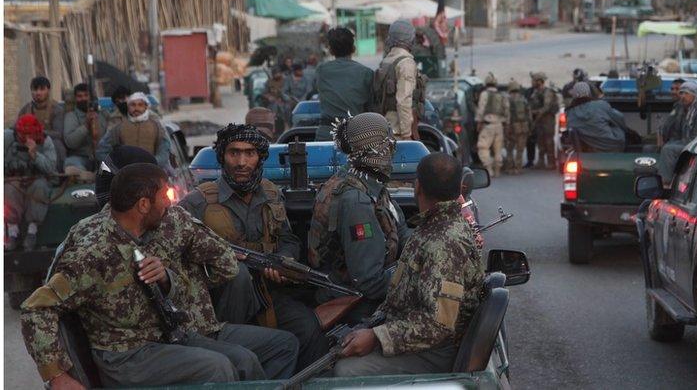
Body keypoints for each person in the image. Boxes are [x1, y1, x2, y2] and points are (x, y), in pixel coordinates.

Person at [19, 163, 299, 388]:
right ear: (143, 205)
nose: (169, 204)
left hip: (164, 336)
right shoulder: (93, 254)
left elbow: (218, 265)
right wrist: (55, 376)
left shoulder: (147, 233)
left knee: (244, 359)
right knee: (218, 367)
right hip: (127, 355)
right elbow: (36, 308)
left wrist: (166, 277)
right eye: (163, 196)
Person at [181, 124, 328, 370]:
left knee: (308, 327)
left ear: (259, 157)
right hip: (219, 301)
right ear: (222, 157)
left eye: (249, 153)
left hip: (266, 293)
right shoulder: (197, 201)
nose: (241, 162)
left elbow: (288, 238)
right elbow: (177, 252)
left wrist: (283, 261)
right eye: (234, 153)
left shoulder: (271, 194)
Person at [333, 153, 483, 377]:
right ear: (459, 189)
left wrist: (377, 337)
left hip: (437, 351)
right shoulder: (432, 227)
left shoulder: (443, 243)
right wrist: (372, 328)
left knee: (345, 372)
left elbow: (438, 326)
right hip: (417, 337)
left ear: (417, 187)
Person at [307, 113, 410, 323]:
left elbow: (401, 231)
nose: (392, 148)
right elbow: (370, 282)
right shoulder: (357, 201)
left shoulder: (365, 182)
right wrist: (415, 276)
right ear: (377, 147)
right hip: (354, 303)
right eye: (387, 142)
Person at [4, 114, 58, 251]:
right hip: (13, 180)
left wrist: (35, 155)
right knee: (9, 189)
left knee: (40, 188)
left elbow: (51, 168)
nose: (27, 138)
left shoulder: (46, 141)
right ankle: (12, 232)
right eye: (24, 134)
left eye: (30, 134)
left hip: (37, 180)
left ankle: (32, 232)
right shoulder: (6, 139)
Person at [314, 27, 374, 141]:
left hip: (326, 134)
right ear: (353, 48)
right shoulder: (366, 73)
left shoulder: (321, 70)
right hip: (356, 134)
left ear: (331, 50)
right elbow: (370, 106)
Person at [374, 19, 423, 141]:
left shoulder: (387, 61)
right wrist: (407, 135)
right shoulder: (406, 63)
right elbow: (404, 101)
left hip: (386, 127)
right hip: (399, 131)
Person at [656, 81, 697, 182]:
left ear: (694, 95)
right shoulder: (683, 109)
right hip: (685, 142)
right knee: (667, 145)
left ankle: (665, 183)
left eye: (686, 93)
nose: (682, 96)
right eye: (681, 93)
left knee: (668, 149)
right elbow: (674, 130)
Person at [96, 92, 171, 168]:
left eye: (140, 105)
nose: (136, 108)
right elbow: (101, 151)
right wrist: (116, 166)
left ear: (146, 107)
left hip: (152, 172)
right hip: (126, 174)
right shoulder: (118, 128)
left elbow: (164, 150)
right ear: (128, 107)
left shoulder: (157, 126)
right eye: (133, 105)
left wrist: (154, 163)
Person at [565, 81, 627, 153]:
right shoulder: (600, 105)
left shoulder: (570, 113)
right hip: (614, 145)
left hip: (591, 149)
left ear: (574, 95)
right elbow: (620, 118)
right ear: (588, 92)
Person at [19, 75, 66, 164]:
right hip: (29, 144)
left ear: (48, 90)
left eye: (42, 89)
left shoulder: (56, 109)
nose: (38, 93)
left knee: (57, 144)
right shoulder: (26, 109)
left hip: (49, 146)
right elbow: (15, 127)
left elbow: (59, 134)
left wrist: (39, 132)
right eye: (35, 89)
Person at [62, 83, 108, 171]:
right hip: (81, 157)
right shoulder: (71, 116)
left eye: (86, 95)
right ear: (75, 98)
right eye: (80, 96)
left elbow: (107, 138)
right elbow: (70, 142)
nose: (83, 99)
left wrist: (96, 122)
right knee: (70, 163)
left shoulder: (103, 114)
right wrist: (86, 126)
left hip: (101, 156)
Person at [475, 73, 510, 177]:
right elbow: (507, 111)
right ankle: (497, 169)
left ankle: (489, 169)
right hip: (499, 126)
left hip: (488, 125)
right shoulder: (502, 95)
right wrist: (507, 124)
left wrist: (478, 122)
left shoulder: (484, 94)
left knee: (483, 147)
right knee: (498, 149)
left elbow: (481, 109)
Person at [528, 72, 560, 170]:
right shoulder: (536, 92)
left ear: (539, 81)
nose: (532, 82)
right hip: (539, 120)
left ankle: (551, 162)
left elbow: (546, 107)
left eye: (534, 80)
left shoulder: (548, 92)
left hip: (547, 119)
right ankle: (541, 162)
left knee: (549, 141)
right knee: (540, 141)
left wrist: (536, 114)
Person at [505, 79, 531, 174]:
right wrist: (530, 126)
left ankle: (510, 168)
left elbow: (506, 113)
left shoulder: (508, 99)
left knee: (509, 149)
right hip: (523, 127)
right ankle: (518, 168)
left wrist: (506, 126)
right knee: (520, 149)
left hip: (512, 127)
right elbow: (529, 114)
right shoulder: (523, 99)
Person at [657, 78, 685, 147]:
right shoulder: (676, 106)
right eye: (672, 89)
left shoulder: (684, 108)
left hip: (674, 143)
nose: (673, 92)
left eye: (677, 89)